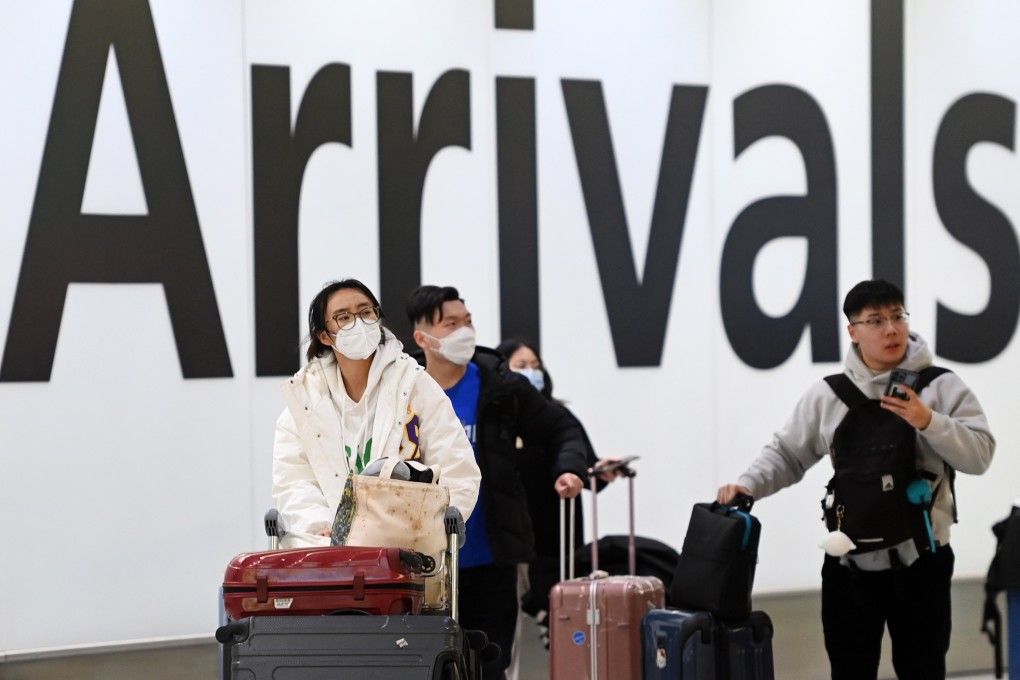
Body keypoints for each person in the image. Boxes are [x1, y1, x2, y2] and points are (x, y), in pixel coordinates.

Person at [717, 279, 995, 680]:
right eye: (876, 320)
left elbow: (981, 454)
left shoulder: (941, 386)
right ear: (853, 331)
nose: (891, 329)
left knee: (924, 669)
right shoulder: (829, 395)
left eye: (898, 316)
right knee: (850, 669)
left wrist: (929, 421)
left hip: (923, 560)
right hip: (849, 562)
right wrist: (747, 485)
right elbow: (787, 452)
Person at [407, 285, 589, 680]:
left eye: (467, 322)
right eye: (450, 324)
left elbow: (562, 428)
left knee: (490, 667)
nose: (464, 331)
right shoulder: (402, 390)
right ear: (423, 338)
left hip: (491, 560)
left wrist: (569, 468)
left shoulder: (501, 387)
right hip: (423, 569)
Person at [272, 279, 481, 549]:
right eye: (343, 317)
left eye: (366, 312)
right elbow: (294, 480)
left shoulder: (414, 383)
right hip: (332, 555)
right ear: (325, 336)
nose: (358, 322)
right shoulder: (304, 399)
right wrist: (320, 527)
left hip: (408, 553)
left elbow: (458, 468)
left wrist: (427, 531)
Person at [494, 339, 605, 646]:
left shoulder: (558, 417)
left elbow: (586, 462)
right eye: (522, 366)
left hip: (554, 535)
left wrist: (597, 470)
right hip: (511, 534)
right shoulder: (499, 418)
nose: (532, 372)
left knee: (563, 627)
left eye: (535, 365)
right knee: (505, 627)